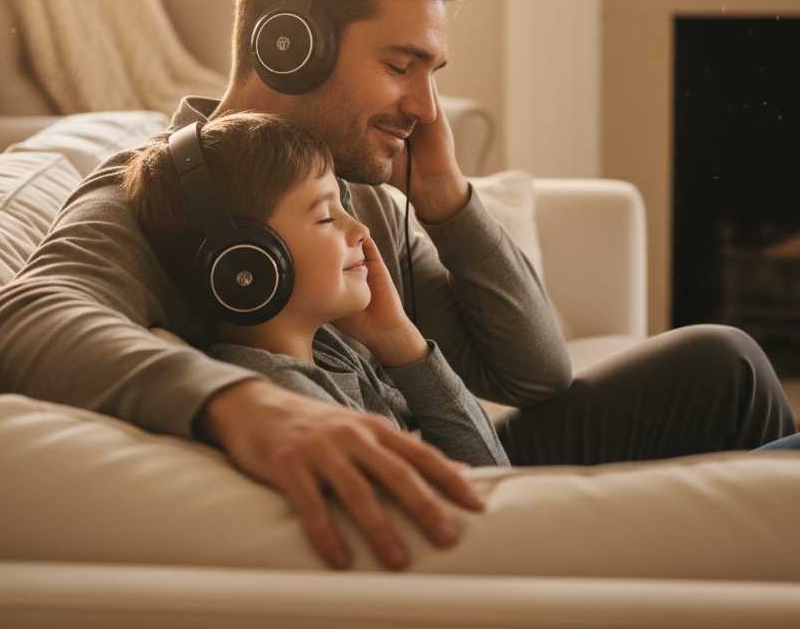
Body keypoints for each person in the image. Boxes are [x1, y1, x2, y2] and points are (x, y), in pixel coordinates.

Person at [0, 0, 797, 572]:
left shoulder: (367, 188)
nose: (427, 105)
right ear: (289, 47)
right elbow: (26, 317)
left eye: (434, 69)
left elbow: (532, 372)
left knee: (723, 364)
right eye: (404, 64)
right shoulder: (159, 190)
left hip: (446, 439)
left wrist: (444, 197)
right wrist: (237, 402)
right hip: (402, 476)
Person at [123, 112, 510, 471]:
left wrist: (397, 338)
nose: (362, 231)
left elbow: (490, 468)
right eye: (326, 217)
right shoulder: (287, 403)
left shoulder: (331, 349)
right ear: (248, 263)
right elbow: (488, 489)